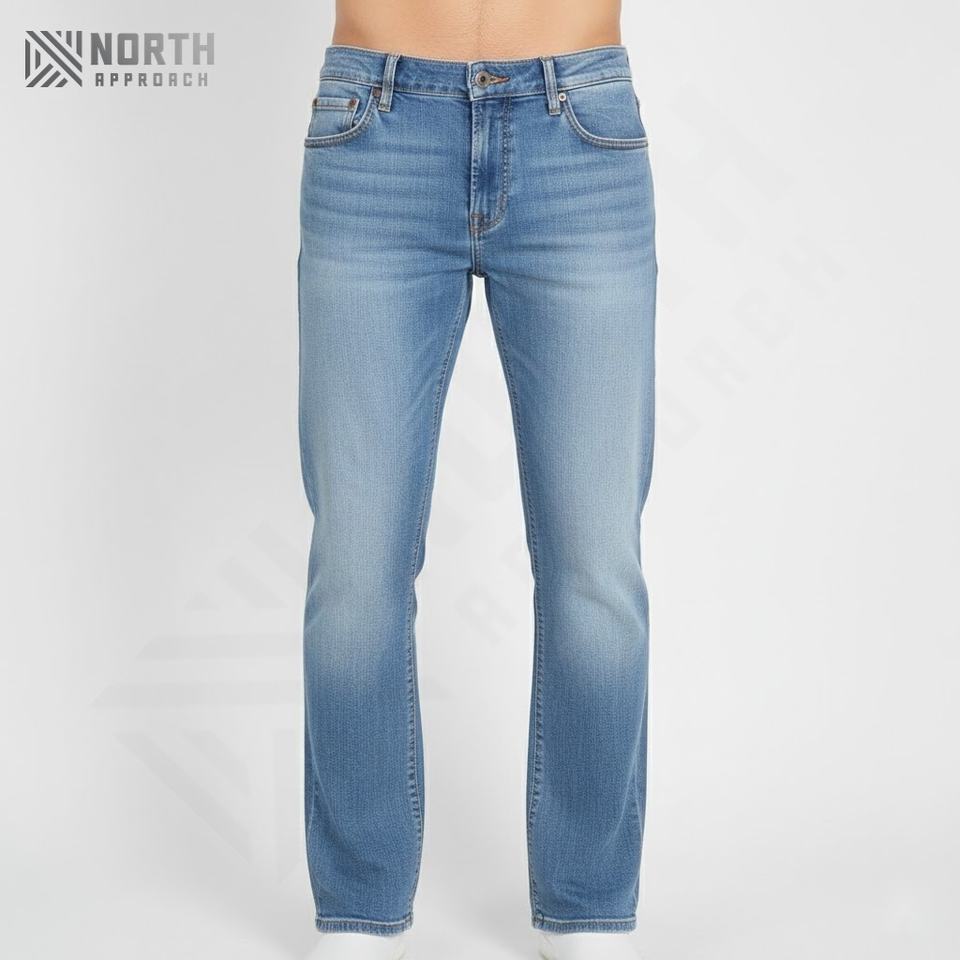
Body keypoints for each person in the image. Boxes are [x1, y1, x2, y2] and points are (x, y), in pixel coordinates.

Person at [297, 2, 657, 957]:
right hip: (373, 126)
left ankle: (587, 905)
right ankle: (361, 902)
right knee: (356, 567)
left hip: (578, 127)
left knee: (596, 566)